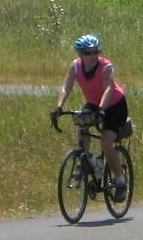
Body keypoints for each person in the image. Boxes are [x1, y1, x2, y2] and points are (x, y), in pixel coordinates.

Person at [52, 33, 131, 198]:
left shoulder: (106, 66)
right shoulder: (75, 66)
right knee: (83, 129)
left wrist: (102, 110)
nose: (93, 56)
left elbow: (109, 88)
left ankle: (120, 181)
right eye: (88, 53)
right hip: (94, 104)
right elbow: (66, 87)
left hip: (115, 106)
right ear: (80, 54)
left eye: (96, 52)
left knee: (106, 142)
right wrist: (59, 107)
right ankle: (87, 161)